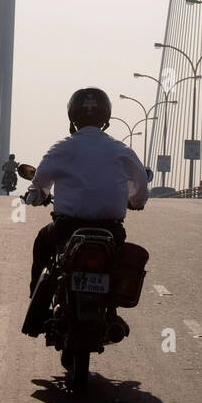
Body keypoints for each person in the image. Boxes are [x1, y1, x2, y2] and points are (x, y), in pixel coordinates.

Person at [24, 87, 149, 297]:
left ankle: (39, 308)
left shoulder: (61, 149)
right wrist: (135, 202)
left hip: (68, 229)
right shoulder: (121, 150)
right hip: (111, 231)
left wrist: (36, 197)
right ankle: (111, 307)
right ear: (106, 119)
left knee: (42, 242)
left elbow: (39, 185)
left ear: (72, 118)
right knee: (117, 265)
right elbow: (141, 186)